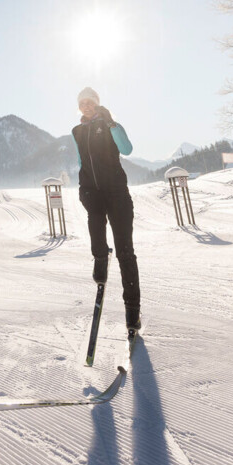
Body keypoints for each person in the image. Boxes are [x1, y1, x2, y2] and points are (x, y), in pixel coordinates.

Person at [72, 87, 141, 338]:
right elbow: (81, 162)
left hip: (117, 195)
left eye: (90, 102)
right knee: (95, 226)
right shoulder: (77, 131)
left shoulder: (111, 125)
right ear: (79, 107)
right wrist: (84, 190)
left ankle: (133, 313)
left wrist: (112, 124)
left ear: (97, 104)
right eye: (83, 103)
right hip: (94, 194)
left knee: (125, 253)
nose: (87, 106)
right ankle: (100, 257)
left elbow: (127, 149)